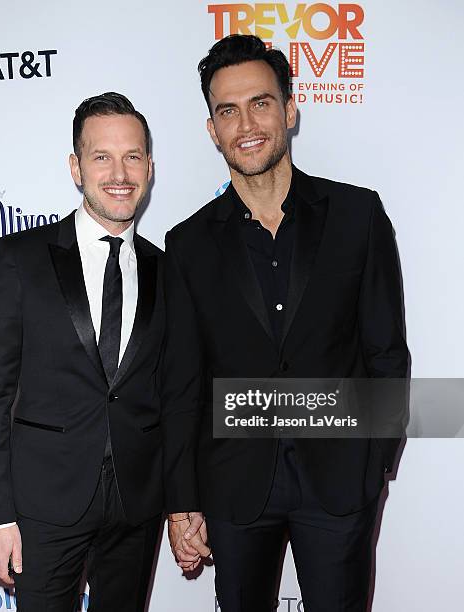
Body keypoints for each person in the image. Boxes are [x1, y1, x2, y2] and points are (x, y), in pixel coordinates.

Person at [162, 35, 410, 611]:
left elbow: (387, 353)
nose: (246, 123)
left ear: (290, 110)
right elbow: (180, 387)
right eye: (227, 110)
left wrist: (373, 465)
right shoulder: (188, 245)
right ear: (212, 130)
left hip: (339, 481)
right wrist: (183, 501)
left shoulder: (358, 216)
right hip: (234, 486)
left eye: (260, 103)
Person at [0, 92, 164, 612]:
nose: (119, 172)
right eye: (102, 156)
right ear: (76, 168)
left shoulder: (166, 269)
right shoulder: (21, 257)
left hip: (136, 503)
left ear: (149, 165)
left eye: (133, 156)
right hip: (42, 505)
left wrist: (184, 503)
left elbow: (175, 392)